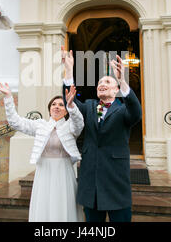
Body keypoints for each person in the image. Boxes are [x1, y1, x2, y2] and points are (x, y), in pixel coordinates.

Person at [61, 48, 142, 222]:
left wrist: (122, 80)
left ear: (116, 90)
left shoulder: (123, 110)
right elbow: (71, 102)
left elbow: (136, 112)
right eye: (99, 83)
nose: (101, 84)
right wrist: (68, 71)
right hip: (91, 182)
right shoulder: (89, 106)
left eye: (107, 81)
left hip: (115, 181)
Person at [0, 82, 84, 222]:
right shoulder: (40, 125)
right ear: (49, 109)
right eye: (54, 104)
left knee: (63, 202)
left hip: (64, 172)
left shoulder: (69, 126)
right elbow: (15, 122)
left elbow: (79, 123)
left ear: (66, 111)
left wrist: (72, 105)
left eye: (61, 105)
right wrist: (8, 97)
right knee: (44, 203)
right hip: (44, 171)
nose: (57, 107)